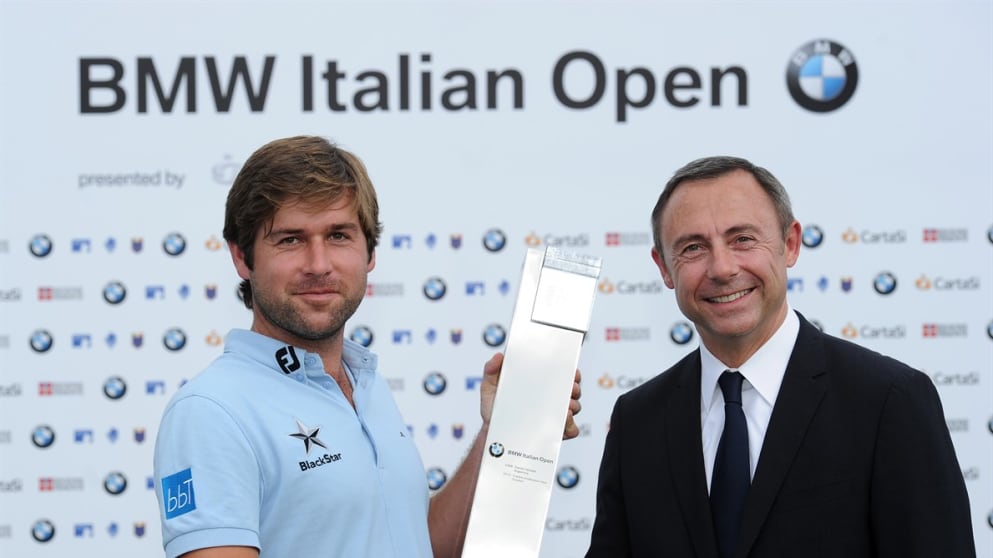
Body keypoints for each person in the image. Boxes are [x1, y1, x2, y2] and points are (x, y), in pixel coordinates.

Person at [153, 135, 582, 558]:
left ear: (370, 252)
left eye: (338, 236)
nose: (318, 265)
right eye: (290, 239)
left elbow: (421, 546)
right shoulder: (212, 411)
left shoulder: (365, 384)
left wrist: (500, 429)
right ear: (242, 259)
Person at [586, 156, 975, 557]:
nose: (722, 268)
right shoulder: (637, 421)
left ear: (790, 244)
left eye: (743, 239)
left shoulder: (888, 401)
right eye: (693, 248)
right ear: (664, 268)